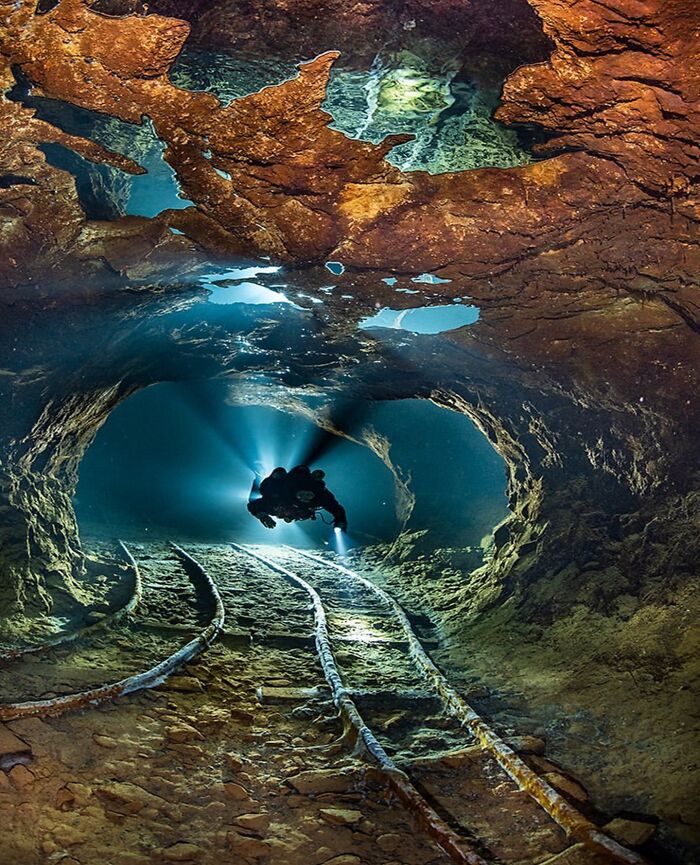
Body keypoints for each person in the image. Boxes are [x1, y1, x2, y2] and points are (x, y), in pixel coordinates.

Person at [248, 465, 347, 530]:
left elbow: (335, 507)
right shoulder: (280, 494)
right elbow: (253, 504)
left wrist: (340, 520)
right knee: (254, 497)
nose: (305, 498)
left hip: (287, 504)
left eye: (309, 495)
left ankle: (259, 476)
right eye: (302, 495)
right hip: (279, 497)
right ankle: (258, 476)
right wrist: (263, 516)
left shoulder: (320, 494)